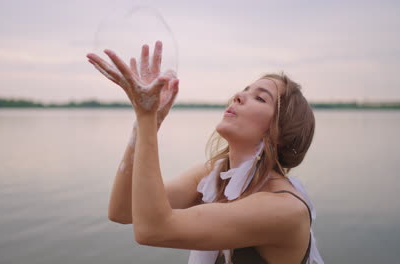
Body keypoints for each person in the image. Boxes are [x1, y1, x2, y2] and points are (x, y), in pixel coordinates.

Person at [86, 41, 325, 264]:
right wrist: (148, 123)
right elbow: (123, 210)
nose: (239, 96)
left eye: (260, 98)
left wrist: (146, 115)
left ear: (278, 133)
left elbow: (152, 229)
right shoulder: (214, 175)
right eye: (244, 90)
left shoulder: (284, 209)